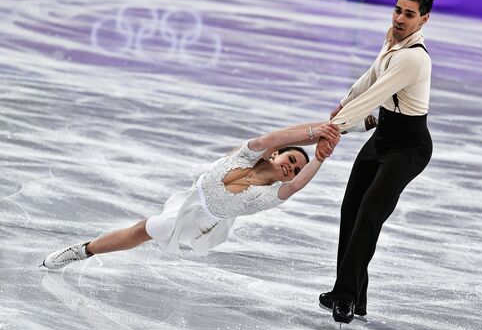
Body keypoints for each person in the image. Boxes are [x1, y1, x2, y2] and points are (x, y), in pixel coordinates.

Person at [41, 121, 343, 269]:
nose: (292, 168)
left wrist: (320, 156)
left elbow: (298, 185)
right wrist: (317, 131)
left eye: (296, 168)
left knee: (147, 229)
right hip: (193, 196)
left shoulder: (271, 194)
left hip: (204, 220)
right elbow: (272, 138)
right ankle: (82, 250)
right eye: (291, 160)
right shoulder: (249, 155)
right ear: (275, 156)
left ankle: (87, 249)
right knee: (140, 230)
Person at [316, 0, 435, 324]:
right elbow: (372, 75)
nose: (400, 18)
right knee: (351, 208)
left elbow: (377, 95)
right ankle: (357, 296)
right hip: (382, 136)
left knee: (370, 212)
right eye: (398, 10)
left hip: (409, 147)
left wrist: (336, 126)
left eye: (409, 14)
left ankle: (345, 297)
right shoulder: (393, 39)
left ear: (423, 19)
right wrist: (345, 99)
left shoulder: (414, 58)